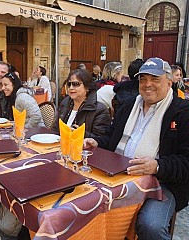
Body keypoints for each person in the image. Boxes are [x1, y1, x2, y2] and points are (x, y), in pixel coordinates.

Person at [84, 57, 189, 239]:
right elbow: (111, 138)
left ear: (170, 82)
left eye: (155, 79)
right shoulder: (128, 106)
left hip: (160, 182)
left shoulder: (182, 113)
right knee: (83, 204)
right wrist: (97, 142)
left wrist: (157, 166)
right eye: (143, 79)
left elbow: (186, 161)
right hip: (117, 175)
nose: (147, 84)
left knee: (151, 226)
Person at [53, 69, 111, 138]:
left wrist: (81, 133)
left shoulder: (100, 110)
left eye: (76, 84)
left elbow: (101, 140)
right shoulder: (65, 103)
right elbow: (55, 130)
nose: (71, 88)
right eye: (69, 84)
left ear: (87, 87)